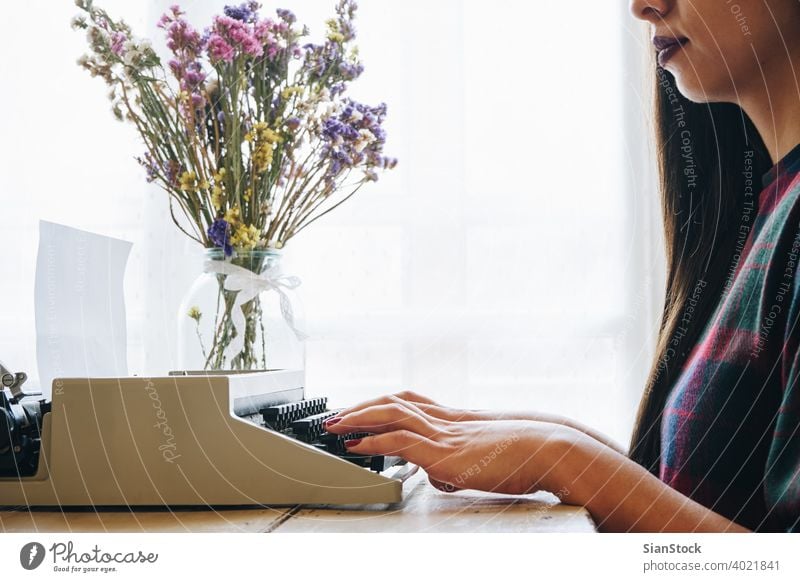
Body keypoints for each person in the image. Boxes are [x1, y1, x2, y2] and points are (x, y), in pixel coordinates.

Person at [325, 0, 800, 532]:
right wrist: (518, 433)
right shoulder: (767, 205)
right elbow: (710, 503)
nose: (643, 7)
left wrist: (557, 455)